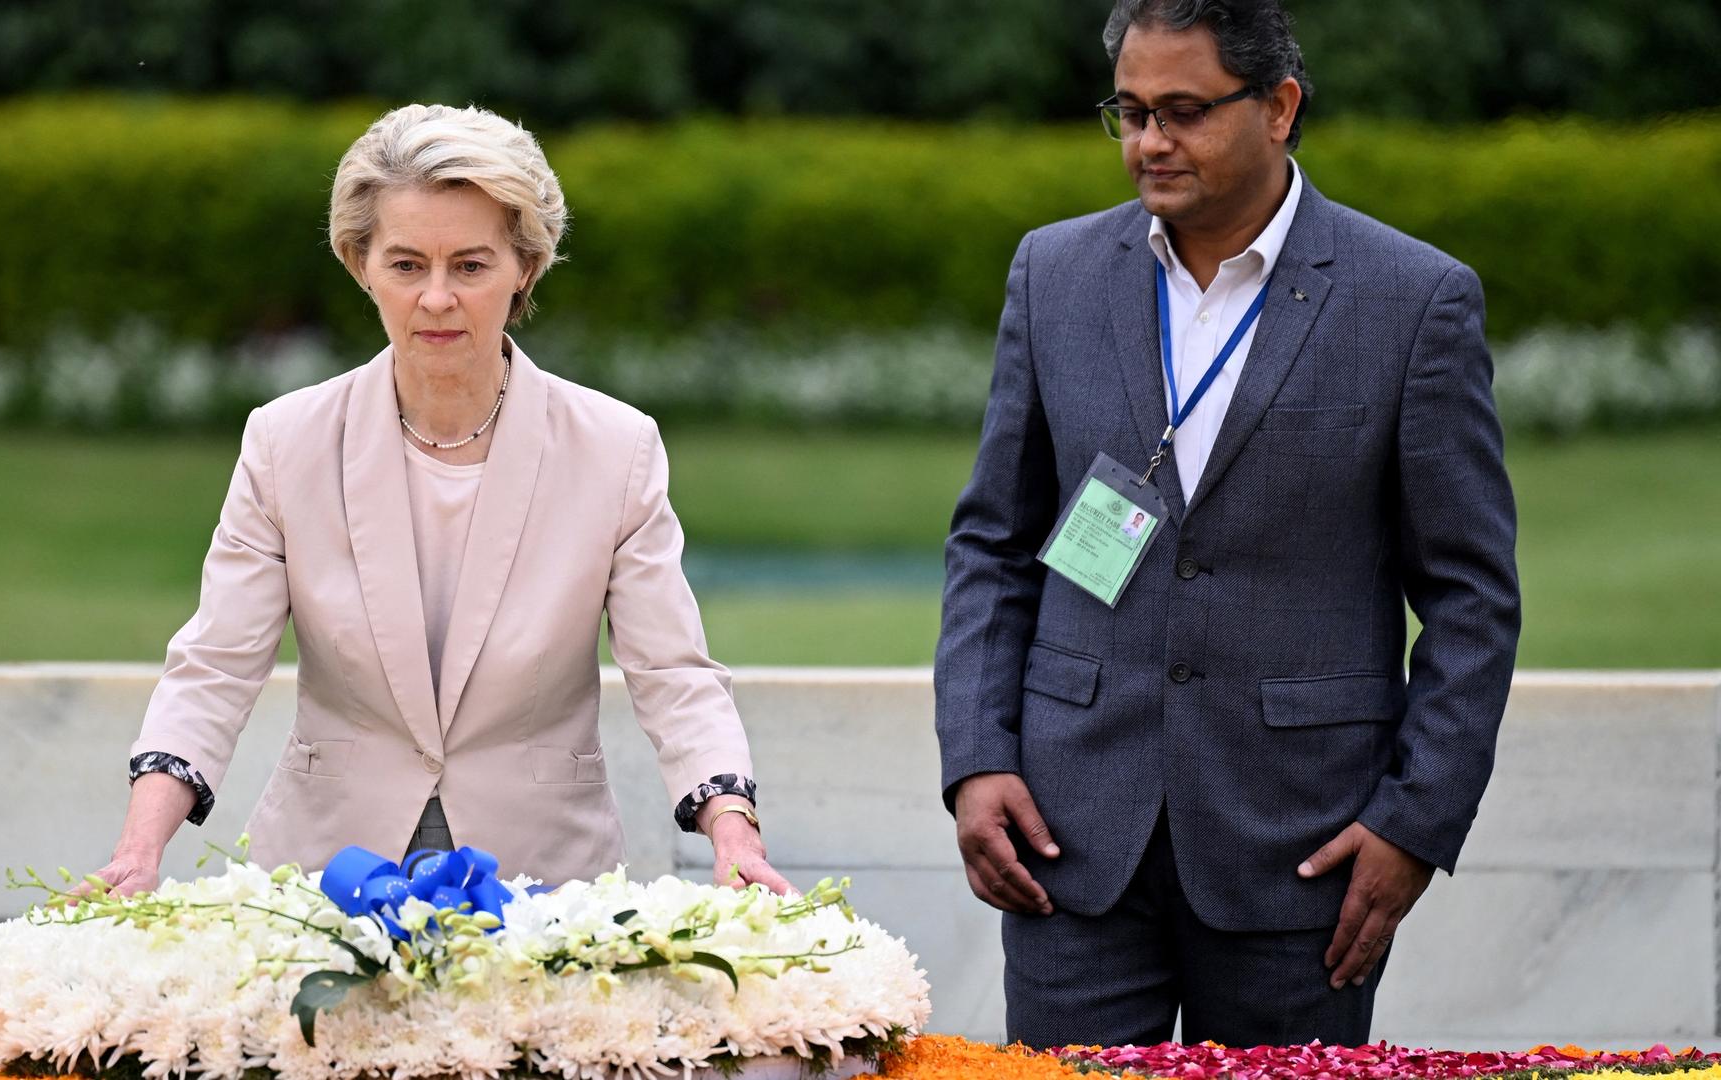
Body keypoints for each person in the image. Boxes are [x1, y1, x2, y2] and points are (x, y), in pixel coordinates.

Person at [933, 0, 1519, 1048]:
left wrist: (1415, 823)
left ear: (1281, 106)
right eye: (1130, 110)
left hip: (1304, 856)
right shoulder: (1052, 274)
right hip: (1067, 844)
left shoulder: (1415, 300)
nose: (1149, 142)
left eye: (1185, 111)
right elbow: (993, 542)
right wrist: (977, 759)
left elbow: (1470, 599)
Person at [91, 104, 788, 897]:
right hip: (325, 873)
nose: (436, 298)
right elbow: (215, 665)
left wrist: (733, 831)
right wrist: (139, 848)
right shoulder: (285, 442)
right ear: (360, 263)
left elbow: (674, 673)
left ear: (526, 265)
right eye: (406, 264)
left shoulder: (617, 448)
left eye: (470, 265)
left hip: (546, 883)